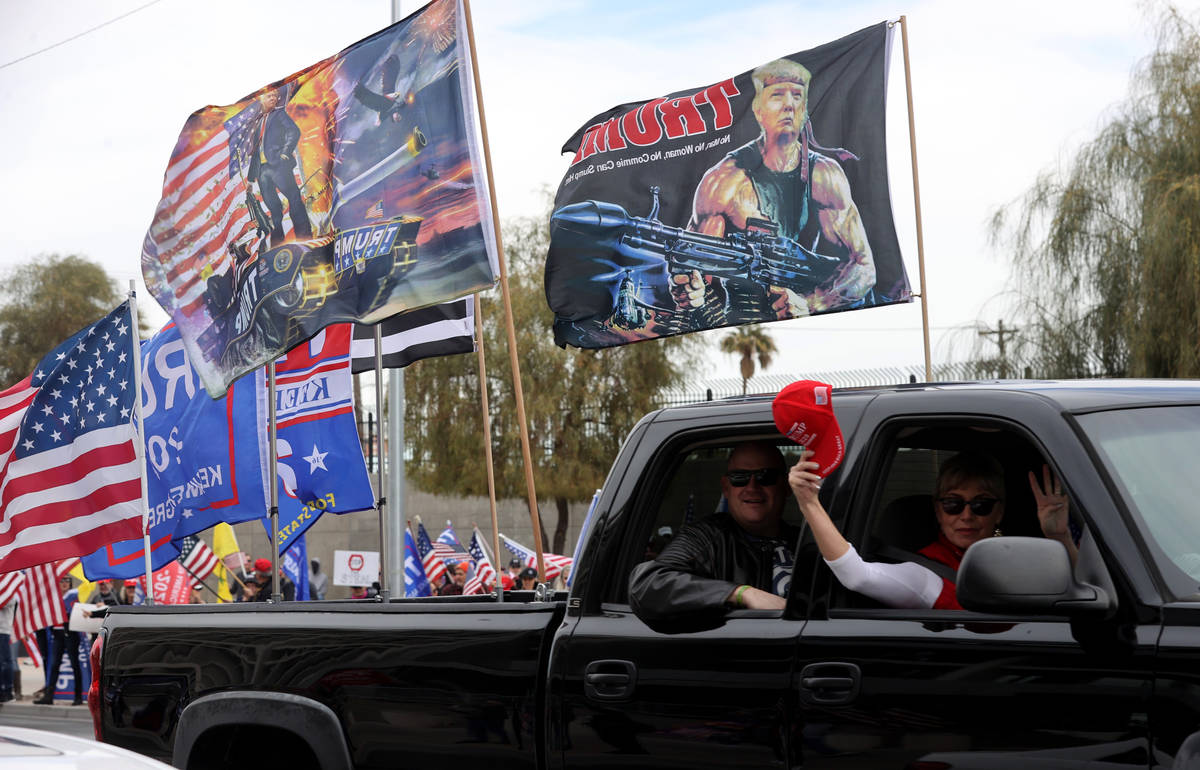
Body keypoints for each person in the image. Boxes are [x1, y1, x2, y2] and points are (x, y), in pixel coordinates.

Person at [673, 57, 875, 323]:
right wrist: (692, 293)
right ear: (757, 109)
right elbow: (696, 274)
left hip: (815, 320)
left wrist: (812, 303)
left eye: (797, 97)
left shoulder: (825, 176)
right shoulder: (723, 183)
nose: (789, 105)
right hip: (744, 325)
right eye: (778, 95)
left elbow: (864, 267)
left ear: (804, 110)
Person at [788, 450, 1077, 610]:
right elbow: (857, 575)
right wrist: (810, 503)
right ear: (938, 511)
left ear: (999, 512)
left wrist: (1059, 537)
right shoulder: (928, 575)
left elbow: (1085, 594)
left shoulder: (1026, 560)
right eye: (953, 504)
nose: (966, 515)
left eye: (981, 505)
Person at [629, 440, 799, 622]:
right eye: (739, 477)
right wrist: (741, 593)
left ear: (786, 486)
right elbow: (648, 584)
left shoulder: (808, 543)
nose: (752, 487)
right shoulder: (706, 538)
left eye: (766, 476)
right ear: (726, 487)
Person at [247, 88, 313, 246]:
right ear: (262, 99)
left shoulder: (279, 114)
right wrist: (250, 180)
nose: (273, 99)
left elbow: (294, 131)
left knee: (294, 199)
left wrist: (285, 153)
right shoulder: (258, 123)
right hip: (263, 172)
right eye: (269, 96)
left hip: (279, 166)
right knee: (273, 209)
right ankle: (277, 244)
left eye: (275, 96)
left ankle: (304, 238)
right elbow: (255, 152)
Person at [36, 576, 83, 705]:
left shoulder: (74, 596)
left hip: (70, 634)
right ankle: (49, 696)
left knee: (74, 665)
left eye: (67, 581)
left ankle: (78, 697)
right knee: (54, 665)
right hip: (57, 634)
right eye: (62, 580)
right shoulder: (54, 598)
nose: (64, 583)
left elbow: (77, 613)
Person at [0, 600, 13, 703]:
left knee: (4, 661)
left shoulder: (8, 589)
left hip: (3, 631)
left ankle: (7, 691)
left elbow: (4, 602)